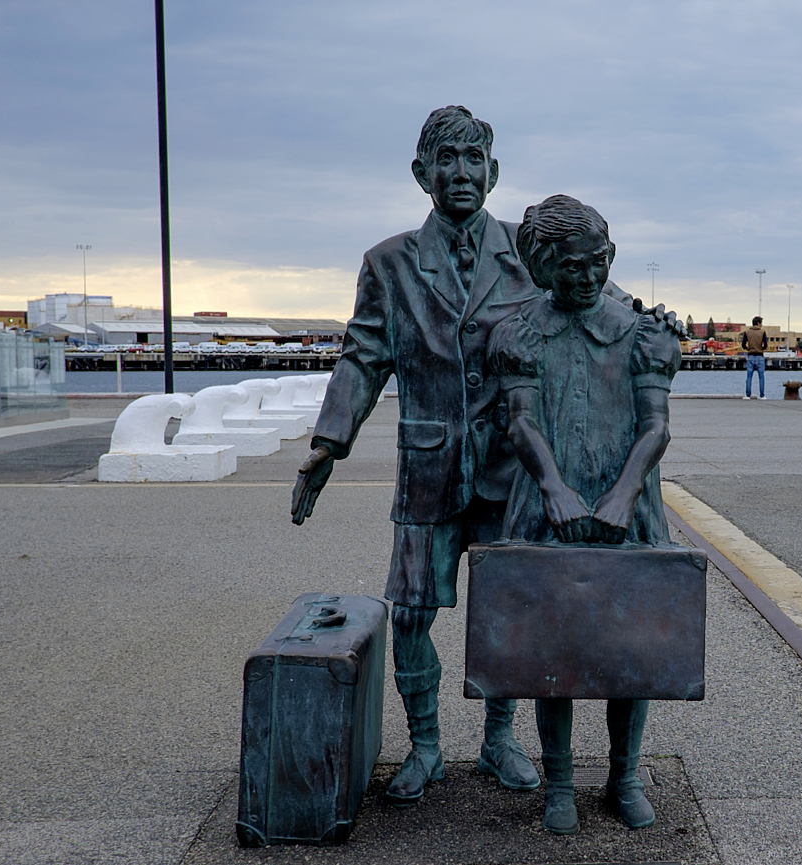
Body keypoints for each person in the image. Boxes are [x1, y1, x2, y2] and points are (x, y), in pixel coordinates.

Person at [289, 106, 541, 805]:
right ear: (420, 173)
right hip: (429, 469)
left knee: (510, 609)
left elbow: (584, 316)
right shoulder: (390, 263)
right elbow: (362, 356)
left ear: (493, 172)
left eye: (472, 159)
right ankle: (425, 745)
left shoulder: (529, 251)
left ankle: (499, 738)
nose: (460, 172)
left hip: (509, 468)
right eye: (446, 159)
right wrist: (327, 442)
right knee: (411, 613)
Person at [488, 194, 680, 834]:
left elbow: (655, 427)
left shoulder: (644, 334)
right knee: (555, 649)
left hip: (628, 502)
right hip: (551, 502)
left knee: (633, 647)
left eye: (598, 262)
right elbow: (521, 420)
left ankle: (624, 775)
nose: (589, 276)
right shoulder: (518, 333)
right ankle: (560, 781)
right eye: (572, 266)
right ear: (542, 266)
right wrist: (553, 489)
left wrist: (624, 492)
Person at [741, 315, 767, 399]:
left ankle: (748, 395)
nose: (761, 325)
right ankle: (762, 395)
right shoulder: (762, 332)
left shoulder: (747, 332)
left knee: (749, 376)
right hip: (760, 356)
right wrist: (761, 348)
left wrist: (748, 348)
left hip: (751, 355)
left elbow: (743, 345)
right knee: (761, 377)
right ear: (758, 323)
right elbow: (765, 345)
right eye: (761, 323)